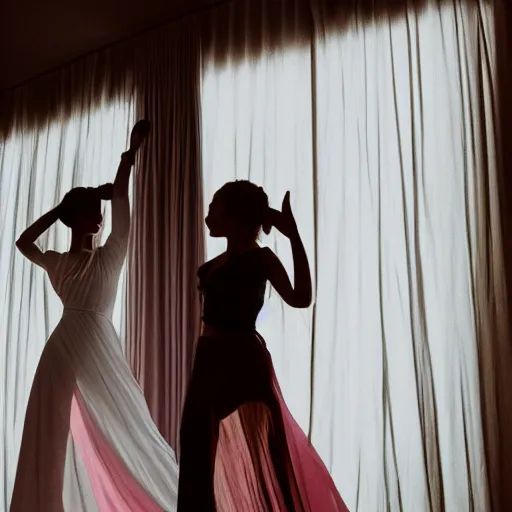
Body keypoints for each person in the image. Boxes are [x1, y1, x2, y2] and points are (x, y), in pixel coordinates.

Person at [11, 120, 178, 511]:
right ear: (77, 218)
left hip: (98, 349)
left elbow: (121, 199)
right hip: (61, 352)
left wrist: (130, 155)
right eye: (92, 212)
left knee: (124, 429)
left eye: (101, 212)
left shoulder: (111, 255)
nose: (101, 217)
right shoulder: (57, 262)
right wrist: (61, 208)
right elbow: (23, 241)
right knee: (51, 438)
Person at [177, 180, 349, 511]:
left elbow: (301, 297)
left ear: (235, 215)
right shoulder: (214, 264)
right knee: (196, 446)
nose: (208, 215)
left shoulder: (262, 259)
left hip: (244, 359)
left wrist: (293, 236)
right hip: (209, 360)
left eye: (214, 208)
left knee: (268, 450)